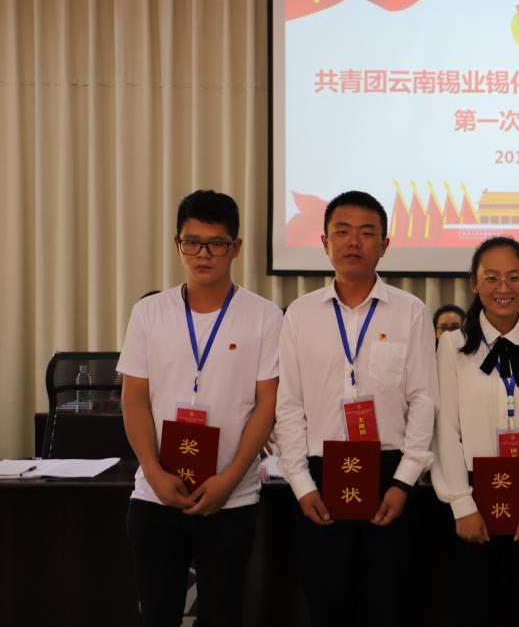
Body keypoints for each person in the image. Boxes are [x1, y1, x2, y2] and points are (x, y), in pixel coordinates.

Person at [274, 190, 437, 627]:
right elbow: (288, 406)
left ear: (385, 245)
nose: (353, 242)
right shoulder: (300, 315)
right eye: (342, 232)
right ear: (324, 242)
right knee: (328, 605)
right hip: (320, 476)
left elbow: (424, 400)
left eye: (367, 233)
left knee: (389, 604)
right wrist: (301, 484)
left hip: (390, 476)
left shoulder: (410, 312)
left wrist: (404, 482)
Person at [119, 190, 282, 627]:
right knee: (157, 614)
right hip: (155, 494)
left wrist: (230, 479)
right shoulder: (149, 312)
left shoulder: (265, 316)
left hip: (231, 497)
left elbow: (267, 404)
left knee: (223, 614)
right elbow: (134, 398)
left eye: (216, 244)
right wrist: (153, 472)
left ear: (236, 247)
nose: (203, 254)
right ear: (178, 244)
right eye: (192, 242)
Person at [431, 237, 519, 627]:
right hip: (472, 498)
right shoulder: (453, 345)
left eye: (514, 277)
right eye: (491, 278)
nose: (503, 287)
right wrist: (462, 505)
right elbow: (446, 429)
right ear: (475, 284)